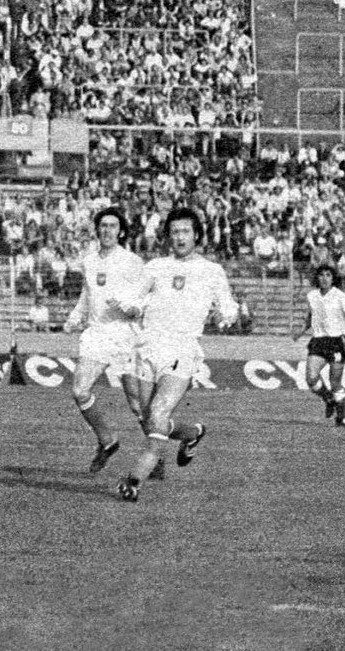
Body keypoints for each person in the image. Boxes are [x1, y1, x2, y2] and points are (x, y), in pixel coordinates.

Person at [114, 208, 240, 502]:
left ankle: (133, 480)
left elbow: (229, 306)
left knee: (158, 414)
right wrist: (128, 305)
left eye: (185, 231)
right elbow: (135, 296)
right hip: (147, 347)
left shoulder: (211, 270)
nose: (180, 237)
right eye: (174, 232)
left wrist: (227, 314)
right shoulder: (156, 266)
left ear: (196, 234)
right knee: (150, 421)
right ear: (167, 236)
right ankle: (191, 433)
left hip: (182, 349)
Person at [62, 207, 147, 474]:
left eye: (112, 226)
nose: (107, 230)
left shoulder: (132, 261)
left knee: (136, 403)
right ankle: (107, 440)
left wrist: (130, 308)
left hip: (125, 334)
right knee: (80, 390)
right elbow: (86, 296)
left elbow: (142, 301)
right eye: (103, 225)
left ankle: (155, 453)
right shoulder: (89, 261)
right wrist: (75, 316)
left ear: (121, 231)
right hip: (97, 334)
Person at [292, 264, 345, 427]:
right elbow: (310, 317)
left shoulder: (339, 296)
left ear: (333, 278)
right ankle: (328, 398)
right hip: (319, 341)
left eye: (328, 275)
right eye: (321, 275)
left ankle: (341, 417)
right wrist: (300, 332)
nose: (324, 278)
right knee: (311, 378)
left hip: (337, 342)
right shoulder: (312, 296)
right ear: (317, 278)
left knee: (335, 382)